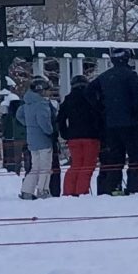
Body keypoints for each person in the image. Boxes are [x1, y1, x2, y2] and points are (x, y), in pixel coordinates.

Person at [93, 49, 138, 195]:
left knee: (115, 159)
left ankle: (114, 187)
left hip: (111, 125)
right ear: (127, 58)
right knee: (136, 157)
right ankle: (134, 188)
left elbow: (89, 92)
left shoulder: (104, 77)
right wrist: (135, 112)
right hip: (131, 124)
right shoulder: (131, 76)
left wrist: (102, 108)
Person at [56, 61, 104, 199]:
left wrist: (65, 133)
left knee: (75, 165)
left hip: (73, 138)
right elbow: (99, 116)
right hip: (91, 137)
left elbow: (60, 119)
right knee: (87, 166)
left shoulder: (68, 99)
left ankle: (68, 191)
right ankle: (81, 192)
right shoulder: (91, 98)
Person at [16, 77, 58, 198]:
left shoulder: (27, 103)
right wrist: (51, 132)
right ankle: (43, 190)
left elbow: (19, 115)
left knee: (35, 166)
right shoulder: (41, 104)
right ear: (41, 90)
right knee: (45, 167)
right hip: (43, 140)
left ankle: (27, 191)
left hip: (32, 140)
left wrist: (29, 125)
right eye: (46, 90)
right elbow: (43, 122)